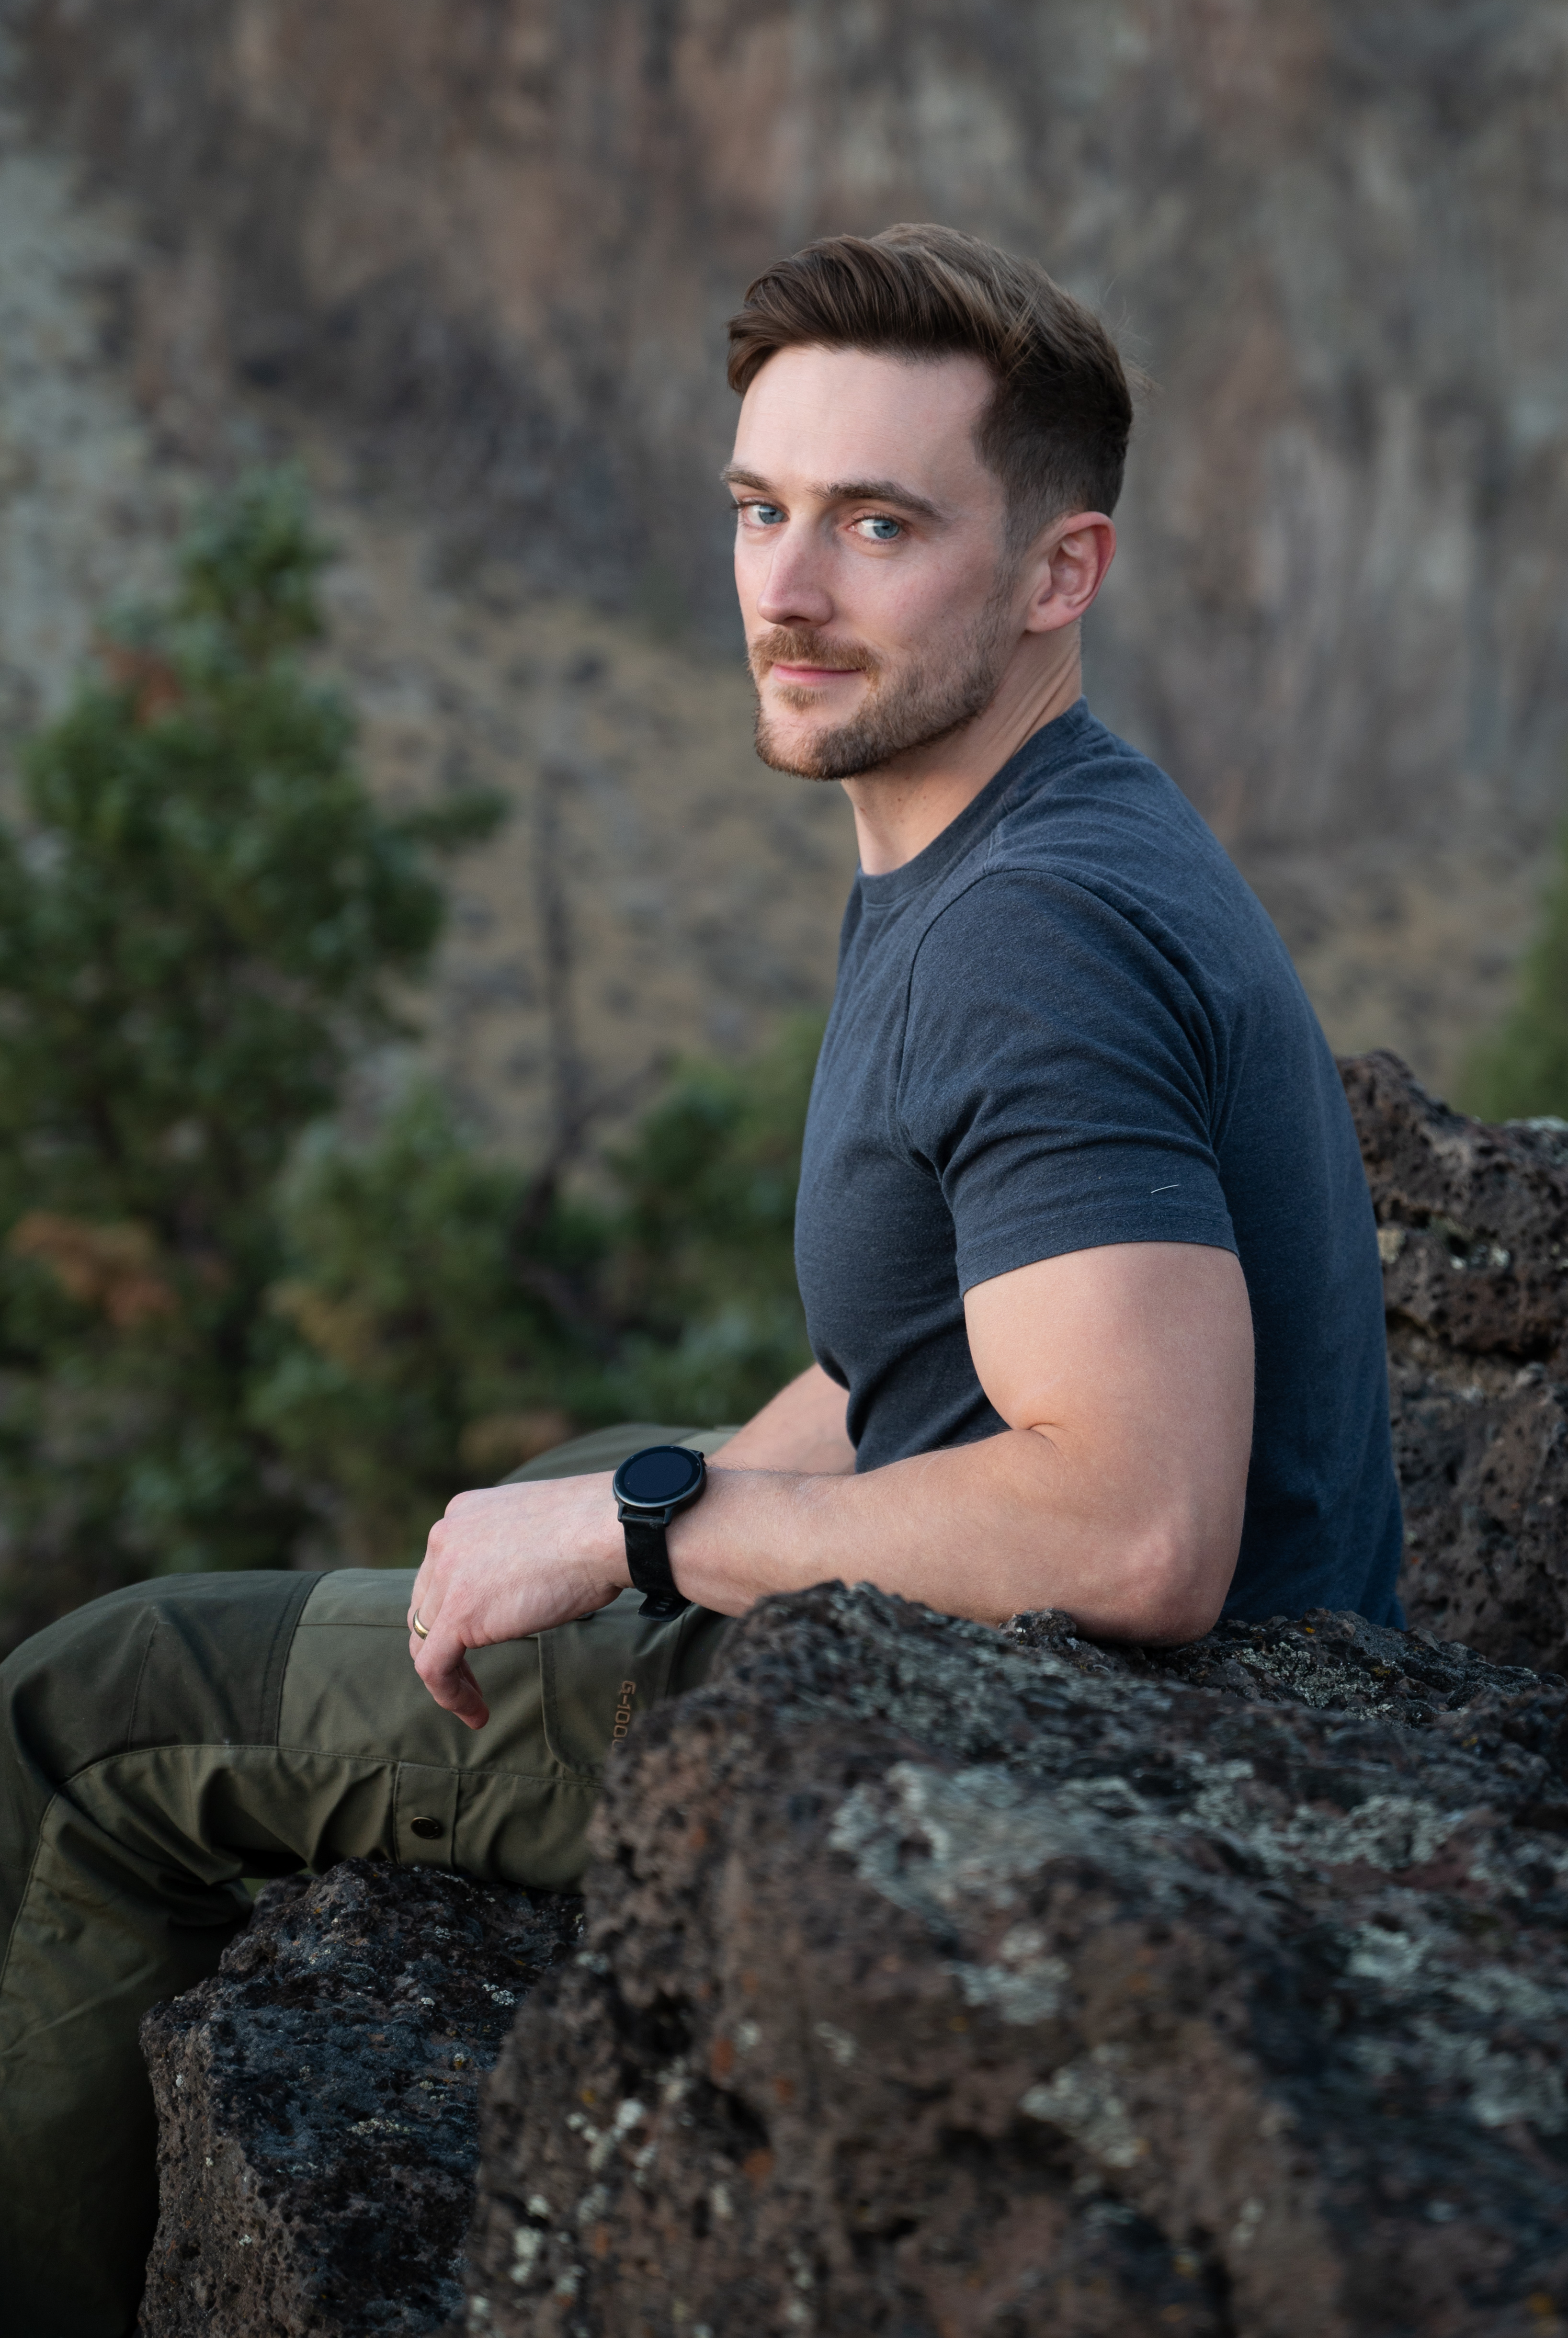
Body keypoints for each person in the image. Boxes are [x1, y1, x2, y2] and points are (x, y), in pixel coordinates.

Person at [0, 224, 1402, 2335]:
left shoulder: (1029, 940)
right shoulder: (1003, 826)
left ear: (1058, 574)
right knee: (560, 1489)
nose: (786, 588)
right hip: (1028, 1698)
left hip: (1049, 1766)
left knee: (82, 1718)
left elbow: (1134, 1523)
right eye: (759, 510)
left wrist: (654, 1525)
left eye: (878, 524)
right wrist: (621, 1507)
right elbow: (923, 1346)